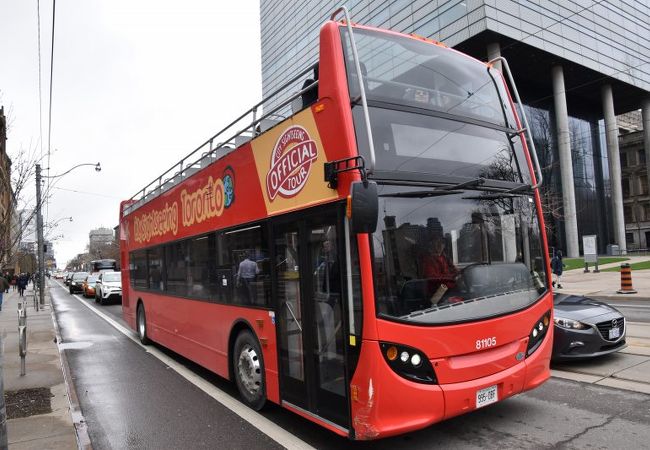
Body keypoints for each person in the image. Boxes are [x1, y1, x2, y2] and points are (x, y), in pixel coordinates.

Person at [421, 235, 459, 304]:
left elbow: (454, 269)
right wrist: (450, 277)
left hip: (449, 286)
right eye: (437, 242)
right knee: (436, 304)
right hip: (437, 290)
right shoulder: (428, 259)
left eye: (442, 243)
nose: (440, 245)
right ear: (432, 245)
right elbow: (432, 277)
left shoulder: (445, 257)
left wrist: (458, 274)